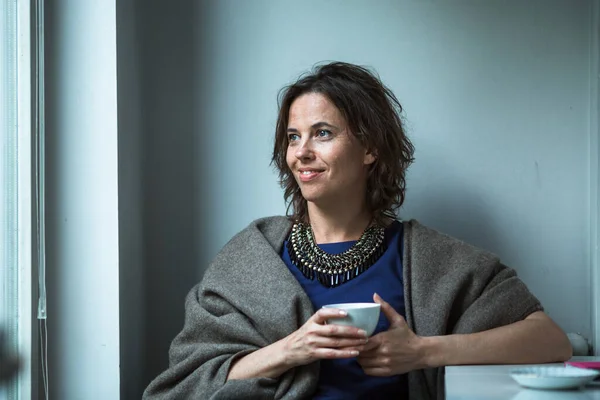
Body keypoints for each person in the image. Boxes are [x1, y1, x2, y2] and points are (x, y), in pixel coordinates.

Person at [143, 62, 572, 399]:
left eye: (322, 133)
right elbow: (186, 383)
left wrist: (421, 351)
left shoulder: (424, 257)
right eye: (293, 138)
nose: (302, 153)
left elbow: (550, 341)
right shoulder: (251, 255)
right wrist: (291, 350)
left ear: (369, 149)